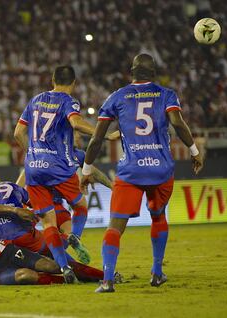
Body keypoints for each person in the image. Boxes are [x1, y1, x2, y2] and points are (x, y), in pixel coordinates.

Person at [80, 53, 204, 293]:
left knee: (115, 226)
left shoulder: (117, 96)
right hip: (161, 170)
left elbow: (96, 139)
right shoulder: (166, 94)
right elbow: (178, 124)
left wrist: (86, 169)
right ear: (154, 74)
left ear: (131, 73)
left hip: (131, 171)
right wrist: (194, 150)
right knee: (158, 217)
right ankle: (157, 273)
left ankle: (107, 281)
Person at [13, 65, 99, 283]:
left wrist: (32, 152)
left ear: (52, 79)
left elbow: (18, 133)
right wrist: (102, 133)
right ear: (74, 83)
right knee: (80, 206)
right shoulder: (69, 101)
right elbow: (76, 123)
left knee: (48, 223)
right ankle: (74, 236)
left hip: (33, 167)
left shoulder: (35, 100)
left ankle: (64, 268)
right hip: (59, 166)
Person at [0, 164, 109, 283]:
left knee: (27, 268)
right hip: (26, 237)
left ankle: (60, 276)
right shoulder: (8, 186)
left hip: (2, 248)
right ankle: (102, 273)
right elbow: (35, 204)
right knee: (57, 251)